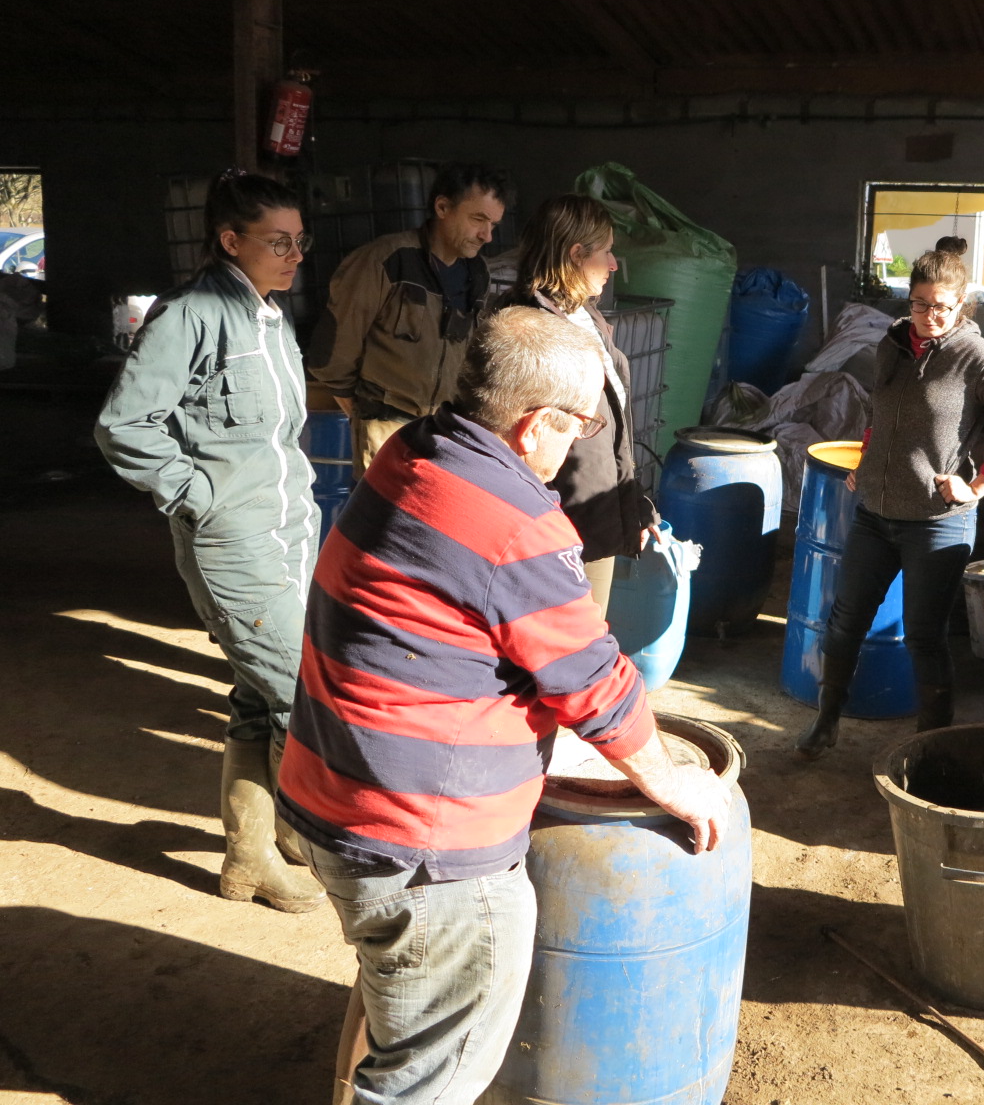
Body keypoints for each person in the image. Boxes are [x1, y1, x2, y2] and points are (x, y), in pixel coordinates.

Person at [276, 306, 731, 1105]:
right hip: (422, 851)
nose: (581, 443)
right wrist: (668, 780)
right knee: (428, 1078)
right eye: (581, 426)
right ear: (536, 425)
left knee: (401, 1017)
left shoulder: (413, 452)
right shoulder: (510, 521)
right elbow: (592, 677)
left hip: (333, 797)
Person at [96, 169, 325, 913]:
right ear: (231, 241)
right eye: (278, 241)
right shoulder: (192, 316)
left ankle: (253, 854)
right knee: (305, 694)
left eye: (300, 240)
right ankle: (297, 836)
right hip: (236, 542)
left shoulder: (270, 317)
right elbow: (124, 426)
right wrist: (200, 498)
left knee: (259, 698)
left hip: (290, 529)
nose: (295, 254)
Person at [796, 237, 984, 758]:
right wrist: (868, 459)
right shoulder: (892, 345)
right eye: (921, 304)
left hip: (937, 520)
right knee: (844, 623)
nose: (931, 316)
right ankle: (827, 720)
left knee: (924, 638)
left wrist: (976, 485)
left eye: (943, 307)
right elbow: (879, 414)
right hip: (875, 515)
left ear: (962, 305)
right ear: (910, 302)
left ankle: (934, 744)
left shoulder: (980, 358)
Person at [503, 193, 657, 611]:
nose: (613, 264)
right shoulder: (525, 327)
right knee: (561, 653)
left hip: (594, 519)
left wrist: (631, 503)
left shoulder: (585, 317)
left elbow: (608, 431)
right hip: (552, 530)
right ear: (575, 254)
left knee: (588, 641)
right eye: (606, 252)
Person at [306, 163, 511, 476]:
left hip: (445, 430)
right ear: (442, 207)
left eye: (493, 225)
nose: (487, 235)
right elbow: (333, 352)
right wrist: (363, 410)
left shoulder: (477, 273)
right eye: (478, 219)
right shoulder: (386, 261)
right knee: (383, 521)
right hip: (387, 426)